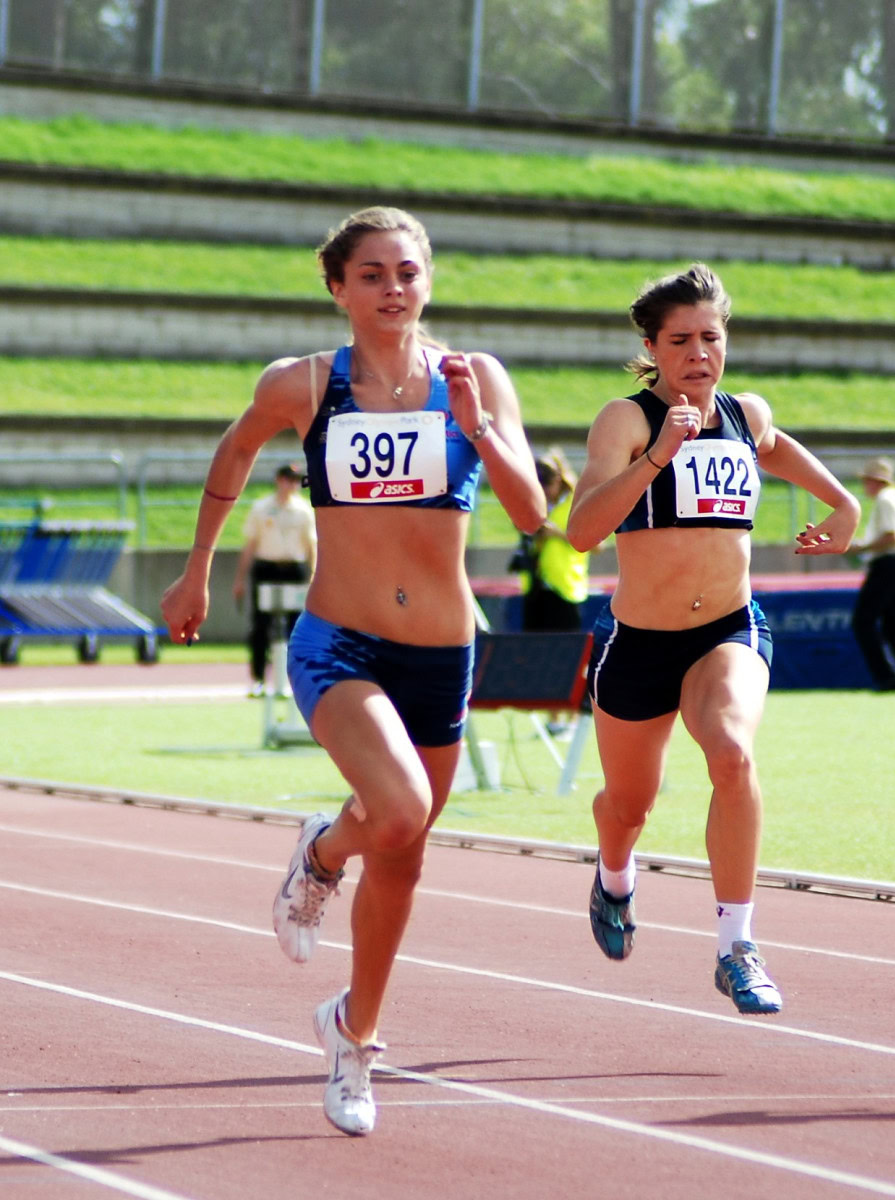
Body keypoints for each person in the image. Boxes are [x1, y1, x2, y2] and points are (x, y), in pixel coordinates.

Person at [160, 206, 545, 1136]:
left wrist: (478, 429)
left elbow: (535, 515)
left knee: (405, 858)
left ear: (429, 281)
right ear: (338, 287)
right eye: (372, 275)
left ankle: (352, 1030)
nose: (393, 289)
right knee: (402, 809)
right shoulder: (302, 384)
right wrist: (197, 566)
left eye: (408, 272)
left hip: (443, 654)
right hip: (339, 642)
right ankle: (327, 854)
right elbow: (236, 449)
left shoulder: (475, 376)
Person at [567, 263, 860, 1016]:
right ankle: (615, 874)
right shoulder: (625, 421)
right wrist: (660, 451)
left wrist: (843, 503)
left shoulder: (744, 413)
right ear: (652, 347)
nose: (699, 353)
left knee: (731, 754)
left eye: (711, 337)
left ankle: (737, 946)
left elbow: (778, 444)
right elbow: (581, 531)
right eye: (681, 340)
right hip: (639, 642)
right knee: (628, 804)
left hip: (727, 628)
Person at [519, 448, 592, 735]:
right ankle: (553, 720)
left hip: (566, 587)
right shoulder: (537, 504)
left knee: (568, 657)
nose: (544, 493)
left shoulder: (575, 503)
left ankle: (572, 720)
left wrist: (556, 534)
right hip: (538, 586)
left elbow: (595, 543)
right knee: (543, 655)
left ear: (557, 481)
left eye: (546, 487)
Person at [232, 462, 316, 697]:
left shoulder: (303, 510)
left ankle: (291, 682)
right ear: (279, 480)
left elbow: (311, 546)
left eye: (295, 480)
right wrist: (239, 579)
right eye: (288, 479)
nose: (291, 484)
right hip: (266, 568)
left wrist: (313, 575)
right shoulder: (261, 508)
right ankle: (258, 679)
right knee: (260, 625)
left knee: (295, 627)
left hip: (293, 570)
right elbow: (250, 545)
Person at [850, 456, 895, 691]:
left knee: (863, 621)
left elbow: (890, 537)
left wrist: (860, 548)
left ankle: (888, 675)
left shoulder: (885, 500)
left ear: (874, 481)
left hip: (886, 563)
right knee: (894, 623)